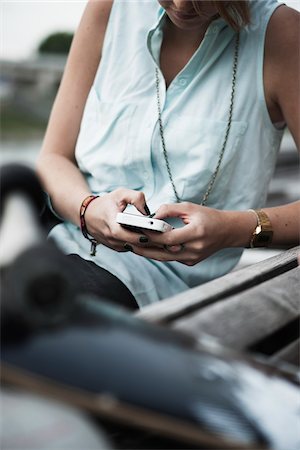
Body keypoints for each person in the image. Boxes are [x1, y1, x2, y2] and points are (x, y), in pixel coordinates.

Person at [36, 0, 299, 311]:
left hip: (142, 284)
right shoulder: (109, 8)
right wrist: (88, 209)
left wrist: (235, 228)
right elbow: (53, 157)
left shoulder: (283, 35)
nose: (181, 4)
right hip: (49, 239)